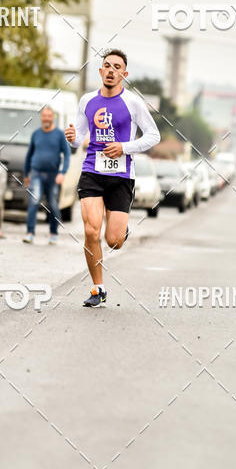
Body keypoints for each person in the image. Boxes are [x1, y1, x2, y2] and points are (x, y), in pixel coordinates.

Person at [65, 49, 160, 308]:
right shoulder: (87, 101)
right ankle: (98, 289)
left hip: (120, 175)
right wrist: (71, 137)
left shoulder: (133, 103)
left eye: (116, 67)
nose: (111, 70)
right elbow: (77, 140)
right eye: (106, 66)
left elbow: (153, 136)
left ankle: (121, 230)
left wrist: (124, 147)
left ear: (124, 74)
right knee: (90, 230)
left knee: (113, 241)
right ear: (100, 71)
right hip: (92, 172)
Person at [23, 106, 70, 245]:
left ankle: (53, 233)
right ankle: (30, 233)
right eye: (44, 116)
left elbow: (67, 155)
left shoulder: (60, 135)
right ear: (41, 117)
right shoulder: (36, 134)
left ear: (53, 117)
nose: (47, 118)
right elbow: (29, 154)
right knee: (34, 201)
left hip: (53, 175)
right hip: (36, 173)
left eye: (49, 116)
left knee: (53, 204)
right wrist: (26, 174)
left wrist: (63, 172)